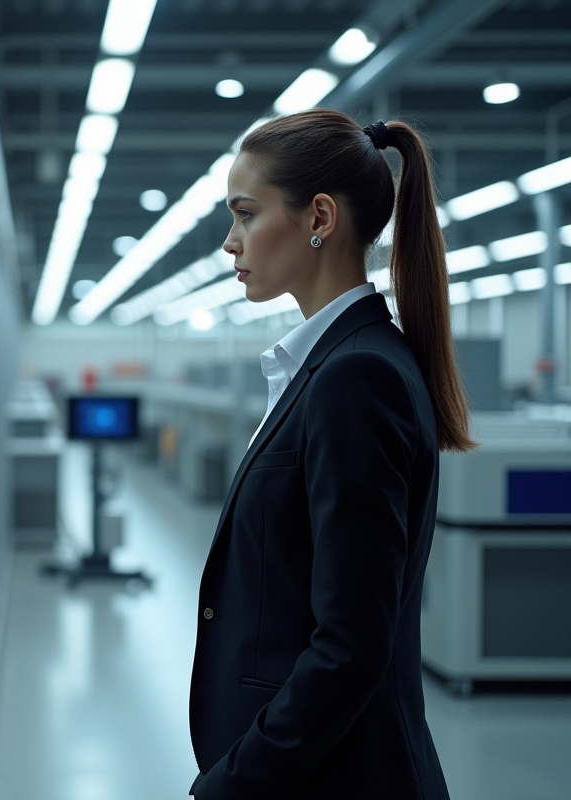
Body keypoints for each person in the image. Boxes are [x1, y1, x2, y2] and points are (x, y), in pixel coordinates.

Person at [187, 109, 474, 800]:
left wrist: (230, 785)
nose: (231, 242)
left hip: (334, 778)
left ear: (319, 215)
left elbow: (350, 646)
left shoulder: (356, 377)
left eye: (246, 214)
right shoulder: (334, 365)